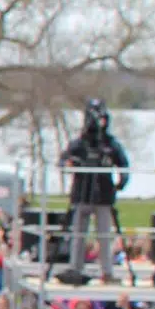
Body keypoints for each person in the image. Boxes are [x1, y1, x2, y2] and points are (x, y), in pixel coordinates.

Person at [58, 97, 129, 283]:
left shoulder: (110, 144)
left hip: (104, 196)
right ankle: (75, 268)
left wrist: (122, 182)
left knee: (104, 235)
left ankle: (107, 271)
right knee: (79, 233)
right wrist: (70, 164)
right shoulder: (80, 144)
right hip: (81, 194)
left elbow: (123, 163)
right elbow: (64, 159)